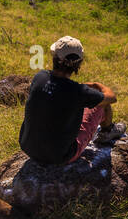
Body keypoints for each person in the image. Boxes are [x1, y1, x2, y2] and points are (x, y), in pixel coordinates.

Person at [19, 36, 120, 165]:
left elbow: (58, 92)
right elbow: (112, 98)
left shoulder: (40, 77)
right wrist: (97, 85)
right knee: (102, 104)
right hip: (61, 156)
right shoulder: (77, 91)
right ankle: (107, 132)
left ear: (54, 57)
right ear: (78, 64)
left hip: (28, 148)